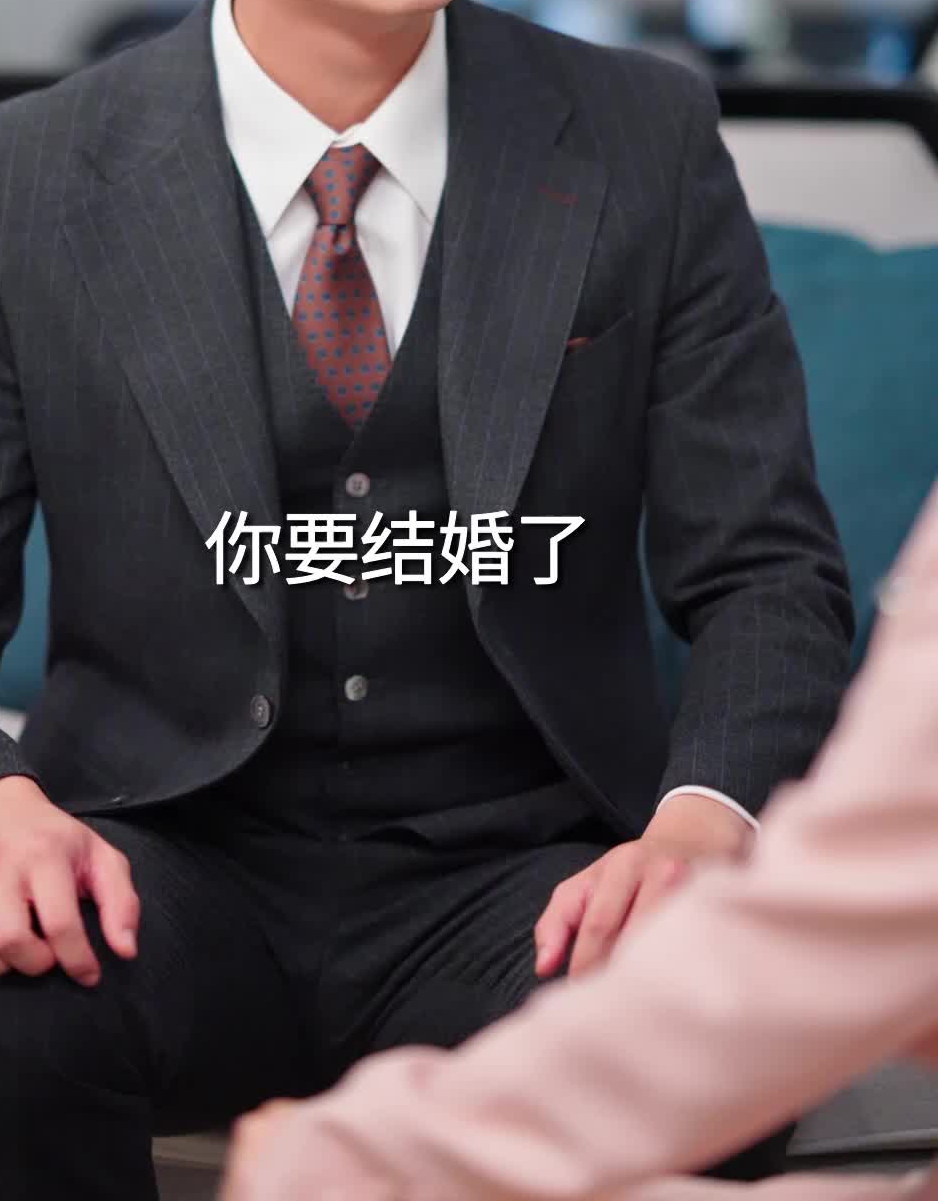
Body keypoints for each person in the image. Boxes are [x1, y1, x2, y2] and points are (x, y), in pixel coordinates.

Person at [0, 0, 852, 1201]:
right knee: (10, 1002)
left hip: (525, 877)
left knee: (698, 1020)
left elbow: (767, 575)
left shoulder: (640, 141)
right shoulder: (26, 180)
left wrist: (699, 827)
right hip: (170, 864)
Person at [221, 480, 938, 1201]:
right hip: (202, 854)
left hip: (530, 858)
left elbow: (833, 918)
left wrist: (369, 1157)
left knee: (666, 1032)